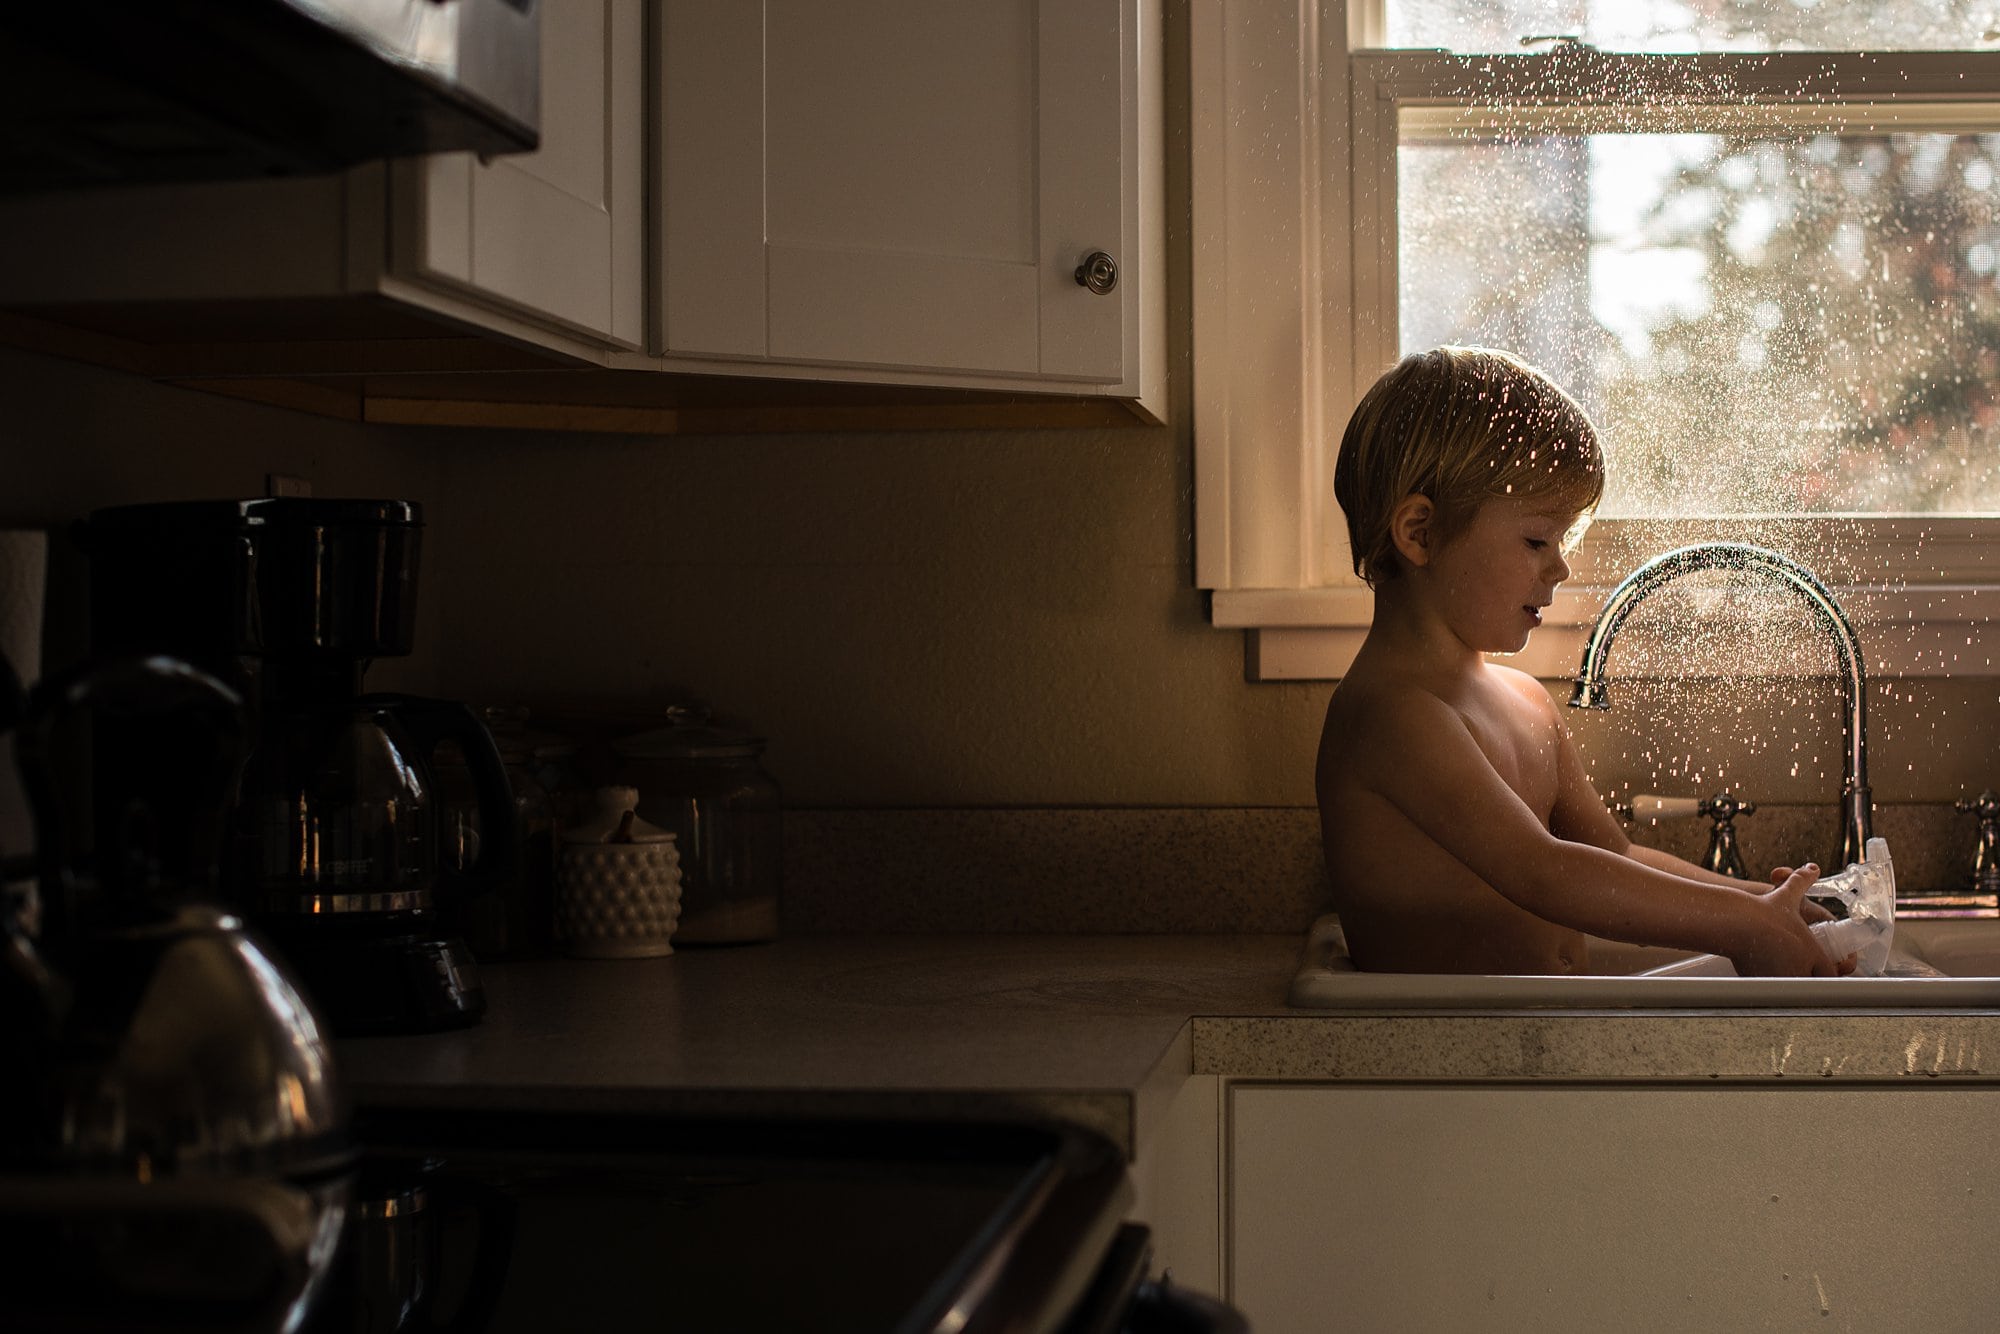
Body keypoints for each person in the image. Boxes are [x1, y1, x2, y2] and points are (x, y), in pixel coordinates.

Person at [1315, 346, 1842, 976]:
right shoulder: (1391, 715)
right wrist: (1741, 925)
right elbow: (1544, 873)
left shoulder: (1524, 701)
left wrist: (1764, 904)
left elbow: (1614, 855)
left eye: (1562, 540)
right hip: (1444, 1057)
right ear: (1420, 534)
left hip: (1543, 1042)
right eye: (1537, 539)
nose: (1560, 566)